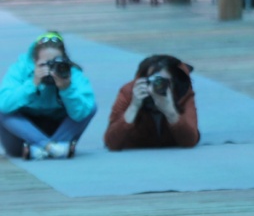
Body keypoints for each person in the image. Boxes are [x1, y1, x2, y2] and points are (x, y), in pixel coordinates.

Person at [0, 31, 97, 160]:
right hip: (24, 134)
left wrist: (66, 89)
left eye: (55, 63)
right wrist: (32, 84)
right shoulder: (20, 69)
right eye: (45, 64)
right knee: (3, 110)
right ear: (34, 61)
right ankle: (50, 147)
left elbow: (82, 113)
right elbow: (4, 104)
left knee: (89, 106)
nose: (51, 69)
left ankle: (42, 149)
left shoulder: (72, 73)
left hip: (59, 131)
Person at [104, 55, 200, 151]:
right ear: (142, 81)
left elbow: (190, 141)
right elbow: (112, 143)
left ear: (173, 83)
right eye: (153, 81)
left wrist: (170, 111)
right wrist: (134, 106)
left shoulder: (183, 94)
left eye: (163, 82)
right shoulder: (128, 92)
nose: (157, 86)